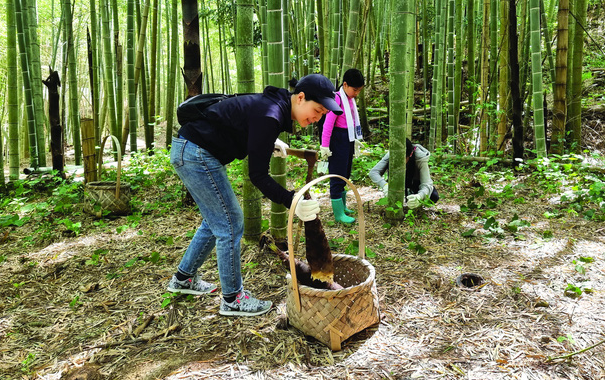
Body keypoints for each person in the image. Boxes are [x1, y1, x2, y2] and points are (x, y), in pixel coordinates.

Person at [167, 74, 343, 317]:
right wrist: (292, 200)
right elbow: (258, 175)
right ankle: (232, 299)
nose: (317, 118)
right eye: (317, 110)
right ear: (301, 98)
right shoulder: (271, 114)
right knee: (231, 223)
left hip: (189, 149)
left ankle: (183, 279)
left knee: (215, 220)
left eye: (323, 114)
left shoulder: (276, 106)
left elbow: (246, 120)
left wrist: (270, 140)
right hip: (196, 154)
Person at [320, 68, 365, 224]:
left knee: (345, 174)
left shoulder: (350, 100)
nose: (357, 93)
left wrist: (354, 139)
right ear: (345, 85)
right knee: (337, 175)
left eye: (359, 90)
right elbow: (328, 124)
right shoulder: (337, 99)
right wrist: (324, 146)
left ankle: (343, 207)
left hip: (348, 139)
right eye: (355, 89)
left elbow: (351, 121)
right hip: (337, 139)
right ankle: (338, 214)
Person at [369, 138, 439, 208]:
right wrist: (385, 186)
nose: (398, 162)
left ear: (410, 154)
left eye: (402, 159)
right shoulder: (392, 153)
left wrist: (419, 196)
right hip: (397, 183)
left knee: (434, 196)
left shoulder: (420, 157)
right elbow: (374, 172)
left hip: (415, 183)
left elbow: (427, 183)